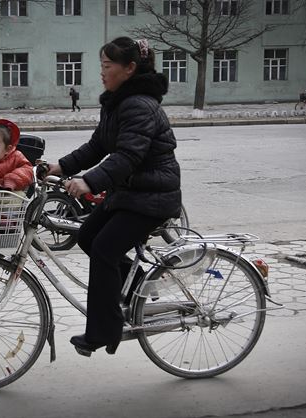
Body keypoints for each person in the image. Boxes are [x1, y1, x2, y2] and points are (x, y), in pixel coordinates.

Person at [45, 37, 182, 357]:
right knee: (89, 235)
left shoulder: (139, 105)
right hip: (133, 193)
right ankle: (135, 289)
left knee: (105, 248)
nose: (102, 73)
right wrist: (61, 167)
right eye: (101, 66)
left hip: (153, 197)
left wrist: (88, 183)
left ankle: (104, 330)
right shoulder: (119, 101)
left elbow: (126, 157)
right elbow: (98, 147)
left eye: (107, 66)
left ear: (129, 68)